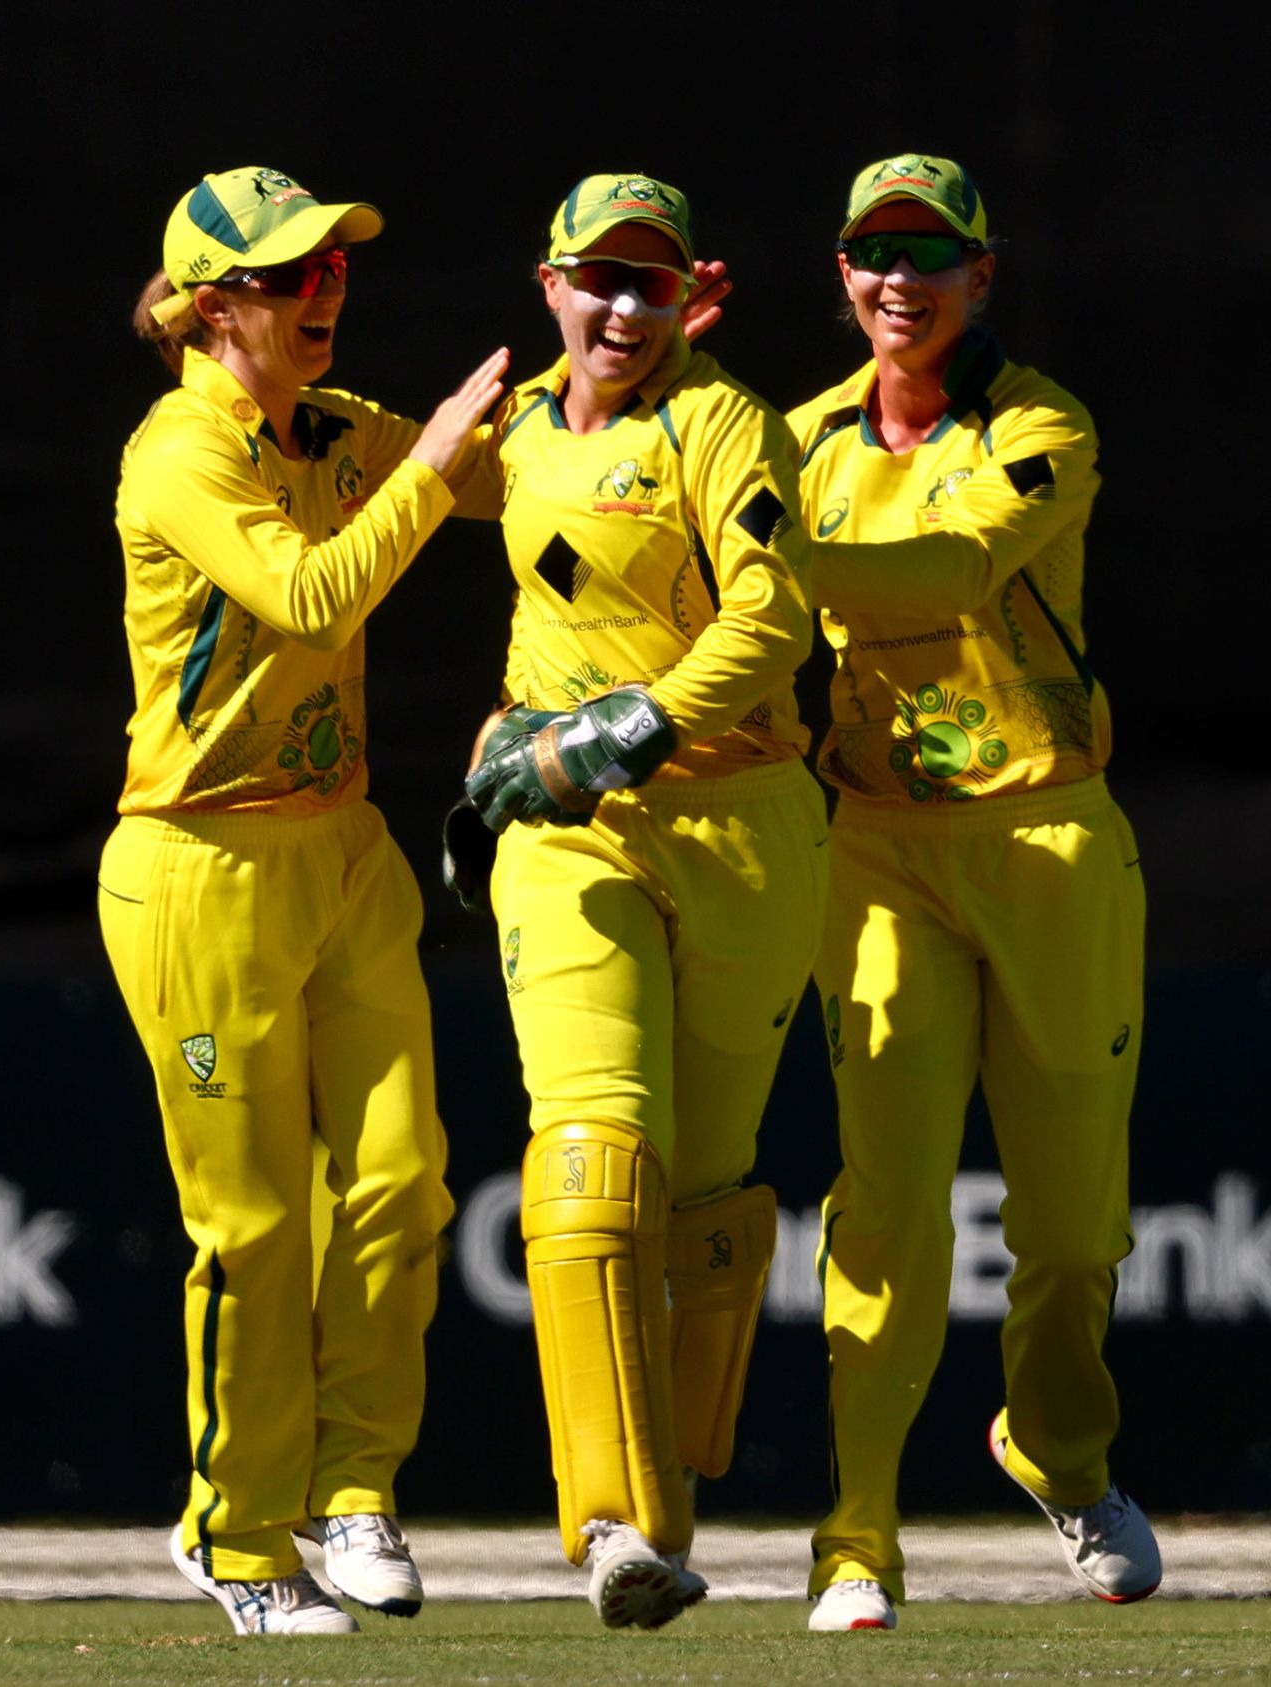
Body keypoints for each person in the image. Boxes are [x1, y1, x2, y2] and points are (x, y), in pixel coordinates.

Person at [97, 165, 509, 1636]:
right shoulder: (178, 454)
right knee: (256, 1228)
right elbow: (321, 594)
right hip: (199, 870)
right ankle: (237, 1535)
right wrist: (434, 463)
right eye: (290, 276)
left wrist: (616, 377)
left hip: (343, 850)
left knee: (402, 1181)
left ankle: (353, 1490)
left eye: (333, 268)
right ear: (216, 310)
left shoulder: (330, 426)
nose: (325, 292)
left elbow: (513, 481)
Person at [785, 153, 1162, 1632]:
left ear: (979, 277)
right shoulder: (801, 441)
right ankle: (857, 1542)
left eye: (929, 256)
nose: (901, 281)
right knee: (887, 1214)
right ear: (844, 274)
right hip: (880, 852)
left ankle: (1060, 1451)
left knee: (1071, 1230)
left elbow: (949, 572)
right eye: (875, 254)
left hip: (1048, 840)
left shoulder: (1042, 423)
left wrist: (771, 557)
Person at [454, 172, 828, 1630]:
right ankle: (618, 1525)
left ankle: (678, 1486)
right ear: (547, 282)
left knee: (707, 1191)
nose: (621, 305)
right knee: (594, 1144)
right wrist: (515, 729)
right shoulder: (513, 427)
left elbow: (772, 618)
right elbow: (433, 513)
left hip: (743, 819)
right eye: (597, 278)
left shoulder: (726, 424)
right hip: (571, 832)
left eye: (650, 282)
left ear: (693, 293)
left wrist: (629, 725)